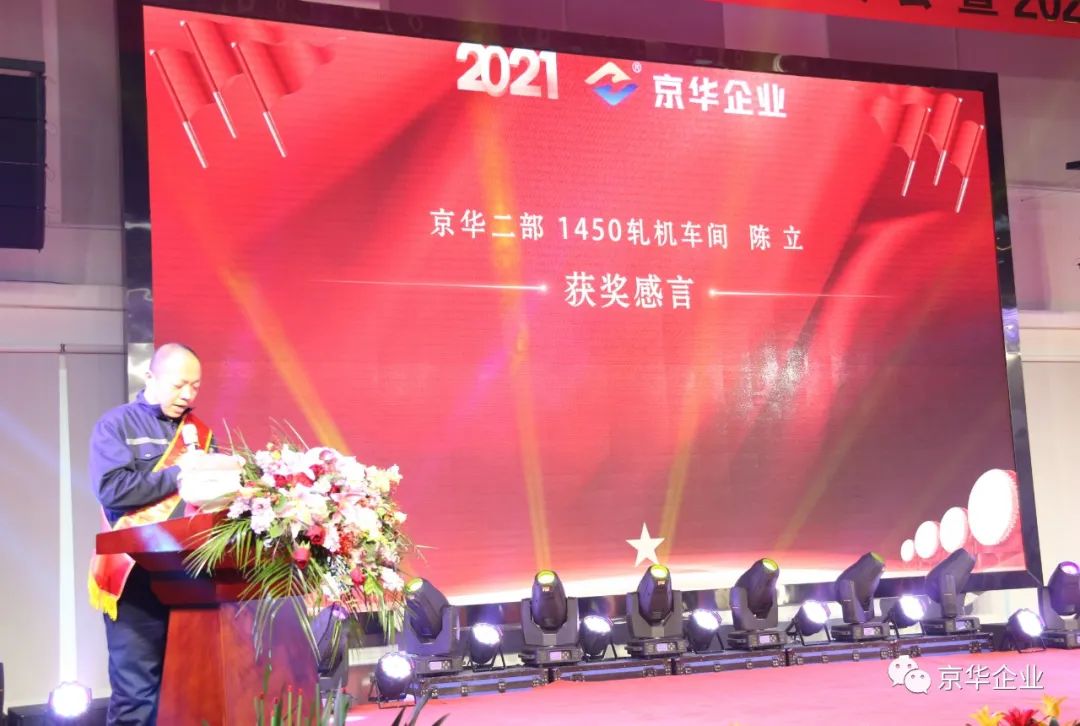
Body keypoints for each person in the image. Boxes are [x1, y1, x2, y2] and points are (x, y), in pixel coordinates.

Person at [87, 343, 213, 726]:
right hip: (135, 577)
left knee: (190, 689)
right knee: (136, 696)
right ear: (150, 378)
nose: (188, 395)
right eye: (178, 385)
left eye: (195, 386)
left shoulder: (199, 434)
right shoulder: (117, 425)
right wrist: (178, 474)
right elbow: (112, 489)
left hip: (191, 576)